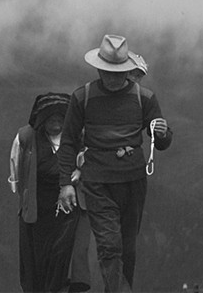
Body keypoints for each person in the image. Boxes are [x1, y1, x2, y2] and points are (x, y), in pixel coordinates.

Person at [57, 35, 173, 292]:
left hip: (132, 181)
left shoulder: (144, 98)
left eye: (118, 72)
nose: (112, 77)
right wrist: (65, 183)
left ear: (127, 70)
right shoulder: (82, 98)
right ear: (99, 69)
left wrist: (162, 132)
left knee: (127, 247)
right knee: (110, 245)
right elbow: (67, 142)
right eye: (108, 72)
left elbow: (162, 141)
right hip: (97, 181)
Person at [9, 93, 91, 292]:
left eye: (60, 118)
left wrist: (80, 172)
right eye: (50, 118)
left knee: (65, 260)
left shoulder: (79, 138)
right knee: (37, 263)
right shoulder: (26, 138)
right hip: (37, 213)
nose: (55, 122)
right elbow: (16, 172)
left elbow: (93, 163)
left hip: (70, 214)